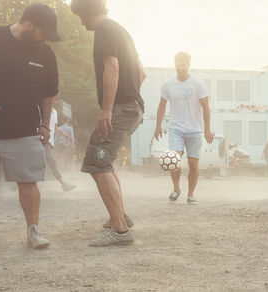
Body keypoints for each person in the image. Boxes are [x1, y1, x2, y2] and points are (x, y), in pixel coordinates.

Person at [0, 4, 62, 248]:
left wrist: (45, 125)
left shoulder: (45, 54)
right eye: (43, 32)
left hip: (23, 128)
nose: (46, 38)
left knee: (28, 182)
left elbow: (48, 94)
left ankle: (33, 232)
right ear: (29, 25)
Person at [70, 0, 146, 246]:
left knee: (98, 161)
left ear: (85, 10)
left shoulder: (104, 30)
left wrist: (108, 109)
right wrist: (128, 98)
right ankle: (120, 216)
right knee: (103, 160)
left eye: (79, 16)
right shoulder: (122, 32)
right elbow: (141, 73)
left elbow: (111, 67)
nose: (80, 22)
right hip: (132, 108)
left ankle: (121, 231)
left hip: (121, 110)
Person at [154, 52, 213, 205]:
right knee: (175, 159)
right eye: (178, 64)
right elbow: (162, 105)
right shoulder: (168, 84)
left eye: (183, 64)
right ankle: (176, 188)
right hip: (176, 128)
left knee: (193, 164)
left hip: (194, 130)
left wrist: (207, 130)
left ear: (188, 65)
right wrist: (158, 126)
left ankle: (191, 195)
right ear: (175, 64)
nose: (180, 67)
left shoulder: (198, 84)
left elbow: (206, 108)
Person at [44, 99, 75, 191]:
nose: (56, 101)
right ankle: (63, 184)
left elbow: (53, 126)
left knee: (48, 162)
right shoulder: (42, 109)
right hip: (42, 140)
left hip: (50, 142)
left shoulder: (55, 112)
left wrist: (62, 133)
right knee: (51, 161)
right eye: (54, 99)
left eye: (57, 99)